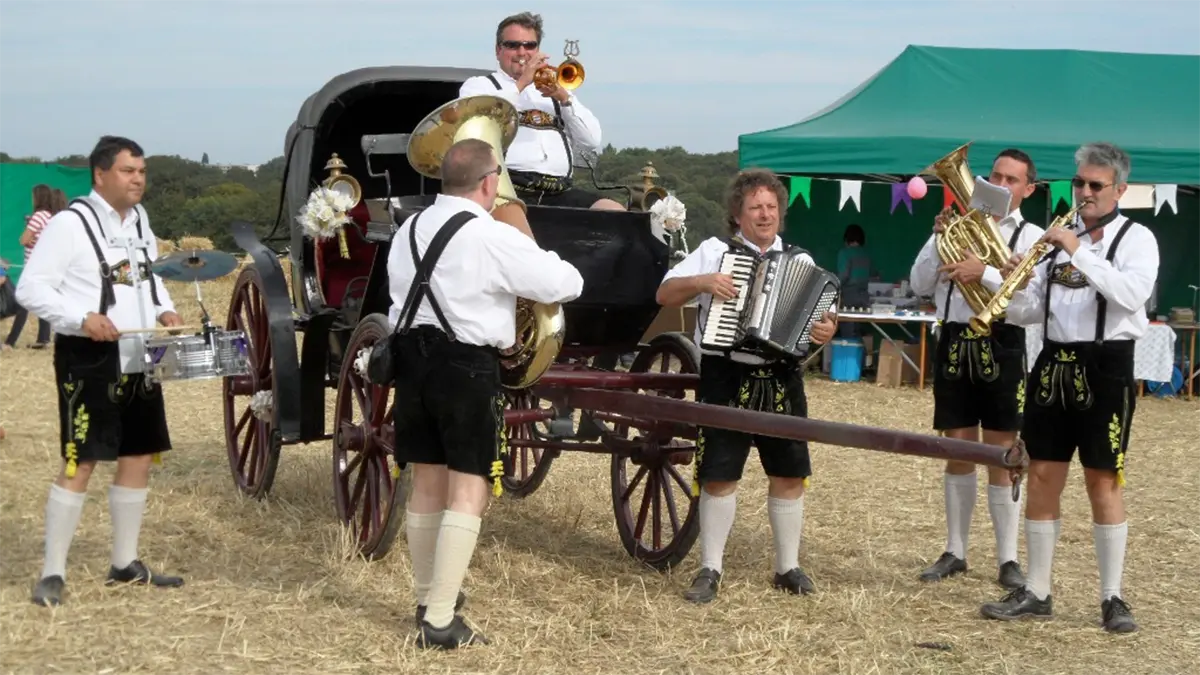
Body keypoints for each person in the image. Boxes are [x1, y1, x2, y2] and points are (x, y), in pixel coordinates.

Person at [389, 137, 584, 648]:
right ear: (490, 182)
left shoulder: (407, 228)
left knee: (427, 482)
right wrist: (527, 238)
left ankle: (428, 598)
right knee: (469, 489)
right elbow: (565, 283)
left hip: (410, 361)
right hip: (464, 365)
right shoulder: (490, 234)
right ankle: (438, 621)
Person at [979, 142, 1156, 634]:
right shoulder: (1058, 242)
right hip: (1052, 363)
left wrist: (1077, 249)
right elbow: (1031, 311)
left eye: (1095, 185)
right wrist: (1006, 282)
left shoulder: (1137, 239)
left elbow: (1131, 294)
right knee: (1041, 475)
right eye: (1079, 183)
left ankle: (1112, 596)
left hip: (1106, 365)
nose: (1084, 193)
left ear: (1120, 189)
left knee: (1102, 480)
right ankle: (1037, 589)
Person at [15, 135, 186, 607]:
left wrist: (165, 309)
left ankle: (124, 563)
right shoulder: (69, 224)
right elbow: (31, 289)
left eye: (143, 172)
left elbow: (148, 276)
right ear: (100, 174)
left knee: (137, 454)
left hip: (139, 350)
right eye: (129, 171)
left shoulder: (140, 221)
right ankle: (52, 572)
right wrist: (81, 319)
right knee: (81, 459)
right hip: (88, 356)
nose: (138, 180)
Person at [656, 168, 837, 603]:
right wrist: (702, 282)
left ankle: (787, 567)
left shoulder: (800, 261)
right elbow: (664, 294)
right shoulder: (714, 251)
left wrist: (825, 330)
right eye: (755, 206)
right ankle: (710, 568)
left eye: (772, 206)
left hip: (781, 375)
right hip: (726, 370)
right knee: (719, 472)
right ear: (737, 213)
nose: (765, 214)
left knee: (789, 471)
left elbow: (820, 320)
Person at [908, 148, 1045, 591]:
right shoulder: (957, 223)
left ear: (1028, 189)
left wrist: (983, 270)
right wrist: (938, 242)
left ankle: (1008, 558)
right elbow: (918, 283)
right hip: (954, 339)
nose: (1000, 185)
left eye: (1011, 180)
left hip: (1002, 343)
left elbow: (1029, 309)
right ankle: (955, 550)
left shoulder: (1032, 236)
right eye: (996, 176)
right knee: (958, 450)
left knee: (1002, 454)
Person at [459, 12, 624, 224]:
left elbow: (592, 140)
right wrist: (521, 84)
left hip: (558, 192)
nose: (522, 52)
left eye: (530, 46)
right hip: (507, 191)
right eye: (513, 45)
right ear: (498, 50)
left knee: (615, 212)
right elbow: (484, 122)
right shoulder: (480, 86)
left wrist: (565, 99)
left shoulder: (554, 90)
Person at [4, 184, 59, 350]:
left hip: (33, 267)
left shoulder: (38, 216)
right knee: (41, 302)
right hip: (46, 265)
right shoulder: (50, 216)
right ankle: (43, 339)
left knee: (22, 301)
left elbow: (23, 240)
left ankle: (9, 342)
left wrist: (29, 234)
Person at [836, 223, 876, 337]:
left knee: (848, 334)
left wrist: (833, 286)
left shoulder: (844, 253)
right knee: (858, 332)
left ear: (846, 238)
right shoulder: (865, 254)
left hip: (848, 297)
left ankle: (849, 354)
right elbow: (873, 274)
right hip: (864, 297)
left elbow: (844, 275)